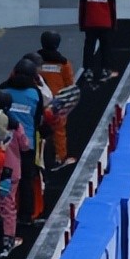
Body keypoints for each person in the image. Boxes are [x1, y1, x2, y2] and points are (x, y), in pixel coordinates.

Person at [0, 58, 46, 226]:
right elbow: (39, 118)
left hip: (4, 143)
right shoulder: (35, 93)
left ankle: (1, 215)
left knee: (2, 178)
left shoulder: (2, 89)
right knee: (27, 179)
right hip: (27, 144)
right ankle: (26, 216)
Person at [0, 89, 27, 258]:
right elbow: (25, 145)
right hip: (11, 171)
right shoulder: (15, 124)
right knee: (8, 204)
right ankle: (8, 237)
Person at [37, 31, 77, 168]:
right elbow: (70, 85)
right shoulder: (64, 64)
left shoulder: (34, 61)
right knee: (59, 131)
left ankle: (37, 157)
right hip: (56, 104)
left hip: (37, 101)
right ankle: (60, 157)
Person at [78, 0, 119, 85]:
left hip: (90, 23)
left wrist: (82, 24)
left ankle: (88, 69)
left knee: (89, 46)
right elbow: (112, 7)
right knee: (105, 47)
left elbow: (82, 7)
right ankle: (105, 69)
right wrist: (113, 24)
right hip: (105, 23)